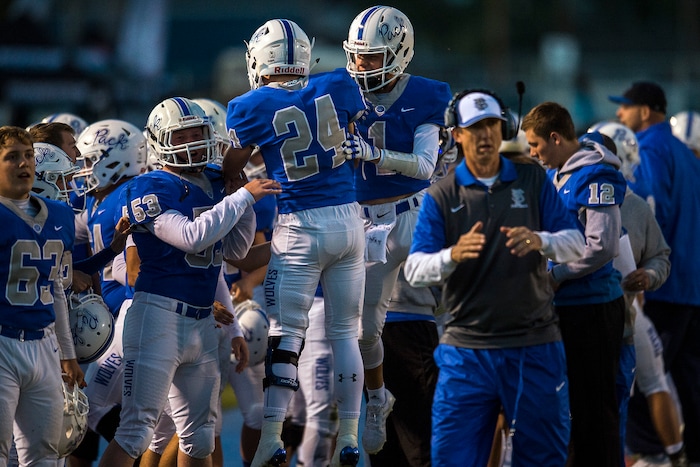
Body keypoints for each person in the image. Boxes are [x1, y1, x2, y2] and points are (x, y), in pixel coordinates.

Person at [404, 90, 585, 466]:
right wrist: (452, 255)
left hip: (533, 345)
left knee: (543, 458)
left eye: (492, 125)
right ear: (457, 134)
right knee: (454, 459)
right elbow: (415, 269)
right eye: (475, 127)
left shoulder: (533, 179)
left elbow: (577, 244)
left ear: (504, 128)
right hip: (466, 350)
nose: (485, 135)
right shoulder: (441, 194)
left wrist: (541, 240)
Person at [97, 97, 280, 467]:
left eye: (199, 133)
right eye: (184, 135)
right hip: (156, 318)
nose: (195, 141)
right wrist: (243, 196)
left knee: (199, 439)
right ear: (161, 141)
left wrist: (234, 195)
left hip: (201, 322)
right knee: (136, 432)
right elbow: (193, 236)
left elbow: (233, 250)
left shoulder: (213, 180)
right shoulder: (148, 187)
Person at [224, 18, 368, 467]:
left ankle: (271, 437)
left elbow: (233, 168)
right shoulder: (338, 84)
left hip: (299, 224)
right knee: (347, 334)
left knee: (286, 335)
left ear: (259, 62)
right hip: (348, 220)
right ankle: (349, 435)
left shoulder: (248, 106)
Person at [341, 5, 452, 455]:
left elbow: (426, 165)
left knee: (458, 316)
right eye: (357, 55)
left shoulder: (424, 95)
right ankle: (375, 397)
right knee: (366, 330)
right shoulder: (341, 92)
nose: (361, 65)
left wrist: (372, 153)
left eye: (372, 56)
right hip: (369, 224)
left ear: (400, 53)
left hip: (419, 213)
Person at [522, 101, 628, 466]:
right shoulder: (561, 174)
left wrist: (556, 275)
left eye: (536, 146)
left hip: (592, 306)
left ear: (555, 138)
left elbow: (602, 245)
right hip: (566, 307)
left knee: (595, 407)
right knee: (570, 405)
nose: (533, 154)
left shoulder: (595, 174)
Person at [609, 82, 700, 464]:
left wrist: (641, 269)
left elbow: (648, 213)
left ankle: (651, 455)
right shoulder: (686, 152)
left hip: (661, 285)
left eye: (626, 107)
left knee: (645, 380)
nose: (620, 114)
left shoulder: (650, 149)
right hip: (691, 285)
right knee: (687, 380)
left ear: (646, 112)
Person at [0, 126, 85, 464]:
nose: (24, 164)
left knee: (47, 453)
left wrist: (67, 354)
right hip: (3, 342)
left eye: (28, 155)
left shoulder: (61, 215)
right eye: (12, 157)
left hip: (43, 344)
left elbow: (57, 290)